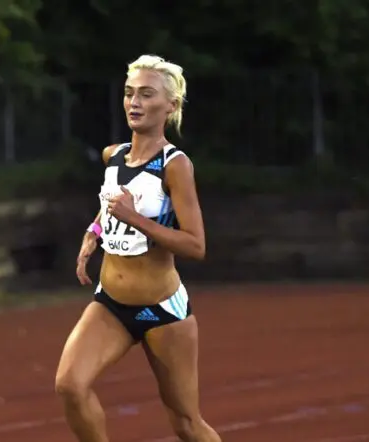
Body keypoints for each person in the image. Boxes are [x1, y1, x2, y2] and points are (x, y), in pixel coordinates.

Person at [55, 55, 222, 442]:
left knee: (186, 423)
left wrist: (134, 219)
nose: (134, 102)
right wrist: (94, 231)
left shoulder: (175, 165)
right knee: (70, 385)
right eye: (130, 93)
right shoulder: (113, 156)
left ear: (170, 106)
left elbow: (196, 245)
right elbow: (110, 203)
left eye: (147, 94)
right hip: (111, 303)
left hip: (162, 310)